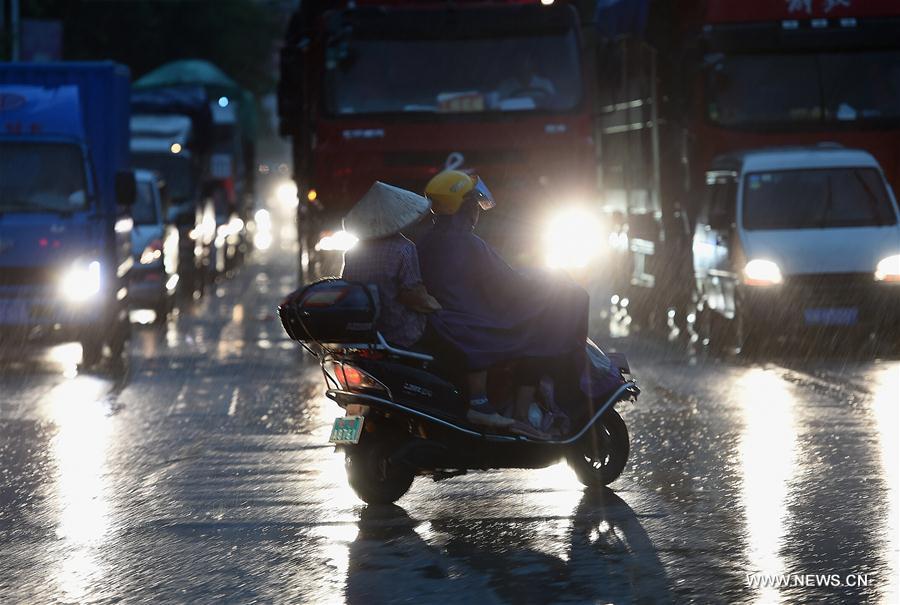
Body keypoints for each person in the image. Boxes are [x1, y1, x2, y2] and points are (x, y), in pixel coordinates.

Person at [418, 170, 591, 433]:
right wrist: (549, 282)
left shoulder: (425, 242)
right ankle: (521, 412)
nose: (477, 211)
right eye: (474, 205)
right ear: (465, 208)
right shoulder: (470, 244)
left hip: (446, 320)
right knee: (541, 332)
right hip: (470, 323)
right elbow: (512, 284)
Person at [341, 181, 514, 429]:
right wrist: (438, 307)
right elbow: (415, 296)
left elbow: (348, 288)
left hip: (370, 334)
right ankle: (478, 404)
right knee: (472, 338)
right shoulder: (403, 249)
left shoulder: (353, 252)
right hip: (404, 332)